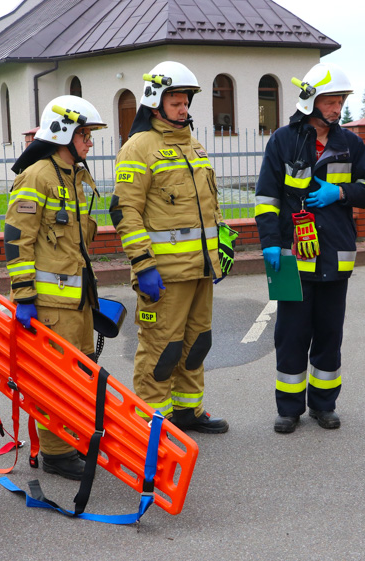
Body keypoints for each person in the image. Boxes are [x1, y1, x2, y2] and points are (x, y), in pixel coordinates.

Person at [254, 63, 365, 434]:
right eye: (331, 100)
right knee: (291, 336)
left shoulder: (350, 143)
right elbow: (266, 198)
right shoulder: (282, 140)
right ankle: (289, 409)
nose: (337, 108)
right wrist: (270, 245)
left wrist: (341, 192)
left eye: (340, 100)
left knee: (329, 335)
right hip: (293, 259)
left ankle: (324, 405)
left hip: (334, 257)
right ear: (311, 99)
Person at [109, 61, 236, 434]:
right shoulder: (138, 148)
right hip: (163, 275)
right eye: (176, 102)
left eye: (185, 102)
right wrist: (143, 265)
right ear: (155, 103)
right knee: (160, 350)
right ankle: (150, 426)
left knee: (196, 344)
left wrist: (222, 237)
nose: (184, 109)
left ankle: (188, 412)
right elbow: (125, 211)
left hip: (201, 269)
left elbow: (206, 204)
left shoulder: (193, 145)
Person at [3, 95, 107, 480]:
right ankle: (57, 453)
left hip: (76, 303)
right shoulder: (37, 176)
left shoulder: (74, 176)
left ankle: (70, 440)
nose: (90, 142)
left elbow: (74, 237)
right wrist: (25, 295)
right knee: (55, 380)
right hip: (49, 305)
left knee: (79, 377)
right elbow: (17, 239)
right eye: (84, 135)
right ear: (63, 133)